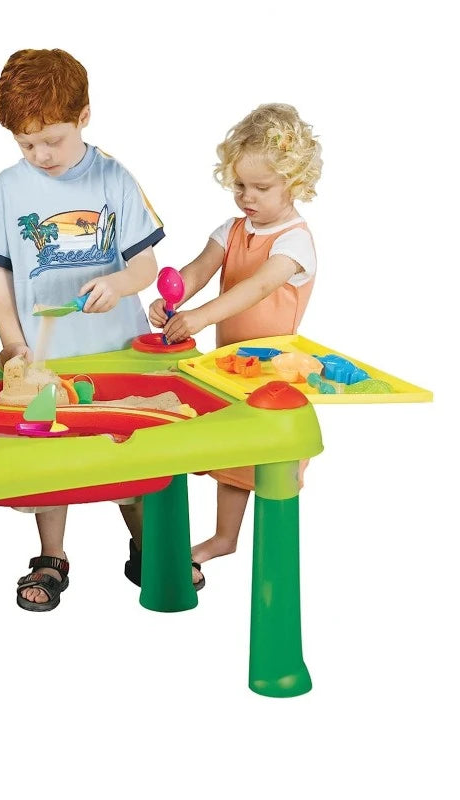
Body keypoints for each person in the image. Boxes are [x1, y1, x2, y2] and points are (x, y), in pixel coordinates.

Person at [0, 49, 162, 611]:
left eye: (51, 140)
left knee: (130, 453)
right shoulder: (9, 187)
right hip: (44, 358)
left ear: (83, 117)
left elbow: (146, 266)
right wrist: (12, 341)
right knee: (48, 455)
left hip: (114, 352)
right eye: (26, 144)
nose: (40, 155)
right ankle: (51, 556)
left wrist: (119, 284)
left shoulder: (113, 178)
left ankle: (148, 547)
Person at [146, 102, 323, 587]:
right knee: (230, 459)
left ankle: (271, 568)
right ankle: (224, 538)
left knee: (265, 462)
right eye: (240, 185)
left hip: (275, 378)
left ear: (294, 181)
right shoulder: (231, 229)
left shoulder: (294, 242)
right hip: (229, 371)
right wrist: (171, 300)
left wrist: (199, 317)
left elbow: (257, 288)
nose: (247, 197)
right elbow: (198, 271)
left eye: (261, 188)